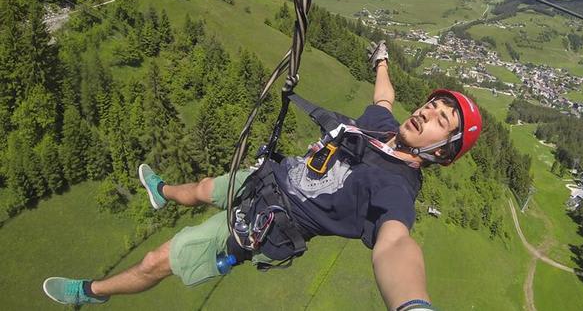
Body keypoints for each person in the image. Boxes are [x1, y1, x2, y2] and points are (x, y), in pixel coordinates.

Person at [43, 41, 482, 311]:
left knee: (160, 259)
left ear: (442, 152)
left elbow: (396, 244)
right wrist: (381, 60)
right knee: (198, 189)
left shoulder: (398, 189)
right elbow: (385, 99)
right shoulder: (381, 128)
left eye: (443, 119)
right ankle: (160, 192)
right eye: (432, 105)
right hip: (265, 178)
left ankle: (93, 291)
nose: (428, 112)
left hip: (265, 220)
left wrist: (412, 305)